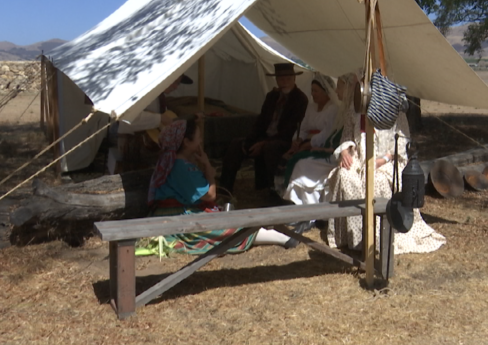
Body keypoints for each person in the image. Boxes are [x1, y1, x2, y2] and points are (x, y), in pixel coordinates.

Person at [326, 71, 446, 255]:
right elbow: (347, 136)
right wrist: (344, 151)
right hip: (359, 159)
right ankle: (353, 237)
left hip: (386, 161)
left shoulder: (393, 108)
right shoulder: (355, 106)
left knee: (377, 180)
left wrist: (382, 160)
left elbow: (402, 142)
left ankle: (377, 236)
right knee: (344, 175)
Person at [145, 116, 297, 254]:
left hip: (179, 212)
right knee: (222, 227)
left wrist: (203, 165)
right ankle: (272, 236)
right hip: (175, 218)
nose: (201, 141)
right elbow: (210, 195)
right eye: (198, 138)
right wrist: (209, 172)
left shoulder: (178, 163)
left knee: (231, 217)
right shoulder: (179, 166)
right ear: (186, 142)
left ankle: (265, 232)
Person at [220, 63, 308, 193]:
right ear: (276, 80)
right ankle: (224, 189)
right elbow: (261, 121)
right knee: (236, 144)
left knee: (270, 148)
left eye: (288, 78)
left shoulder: (300, 99)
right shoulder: (271, 96)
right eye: (281, 79)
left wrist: (263, 143)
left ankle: (273, 190)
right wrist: (250, 140)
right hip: (266, 137)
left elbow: (291, 129)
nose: (285, 82)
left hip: (285, 139)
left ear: (294, 79)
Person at [279, 72, 349, 208]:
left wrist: (309, 144)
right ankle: (287, 196)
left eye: (316, 91)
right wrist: (298, 139)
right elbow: (303, 127)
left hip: (319, 144)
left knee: (301, 163)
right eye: (312, 91)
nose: (313, 94)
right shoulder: (311, 107)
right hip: (308, 143)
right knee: (285, 156)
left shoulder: (333, 109)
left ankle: (304, 203)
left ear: (325, 91)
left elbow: (327, 133)